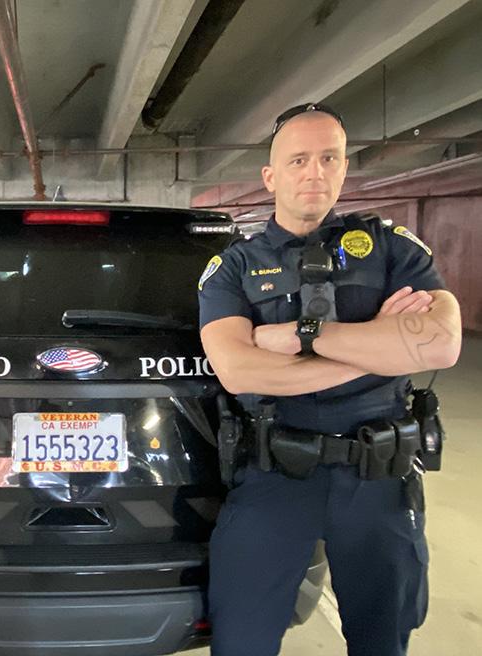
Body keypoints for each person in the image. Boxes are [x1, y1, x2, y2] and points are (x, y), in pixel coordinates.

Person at [198, 103, 462, 656]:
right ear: (271, 176)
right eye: (298, 160)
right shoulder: (235, 266)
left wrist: (302, 335)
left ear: (344, 168)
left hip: (378, 478)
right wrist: (380, 347)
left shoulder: (391, 247)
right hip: (274, 477)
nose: (314, 172)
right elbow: (238, 369)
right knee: (241, 639)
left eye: (329, 158)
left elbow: (441, 342)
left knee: (382, 640)